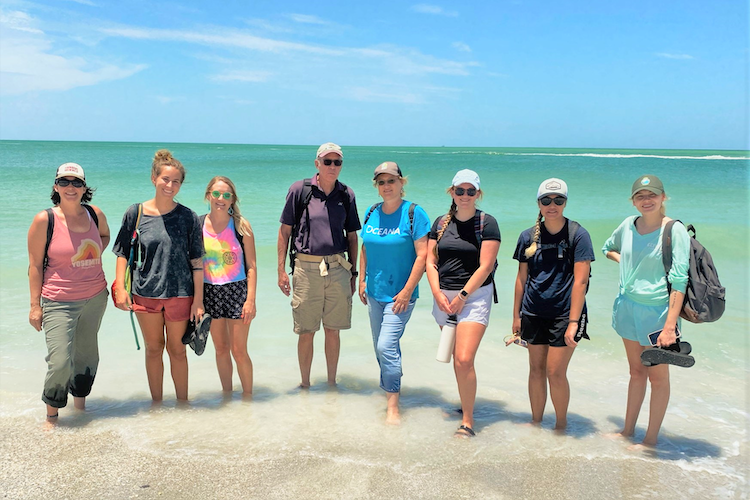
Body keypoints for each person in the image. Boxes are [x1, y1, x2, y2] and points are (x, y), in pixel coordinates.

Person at [602, 174, 690, 448]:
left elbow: (680, 279)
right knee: (636, 372)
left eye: (652, 195)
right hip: (627, 308)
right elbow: (608, 248)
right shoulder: (628, 225)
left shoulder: (674, 230)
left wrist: (669, 326)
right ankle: (627, 431)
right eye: (640, 196)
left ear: (663, 198)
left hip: (658, 315)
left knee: (658, 377)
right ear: (633, 201)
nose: (646, 200)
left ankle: (650, 439)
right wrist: (629, 264)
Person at [113, 149, 204, 402]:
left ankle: (183, 405)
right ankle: (156, 407)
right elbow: (122, 253)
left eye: (176, 181)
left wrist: (198, 300)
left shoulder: (189, 217)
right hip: (145, 293)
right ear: (154, 178)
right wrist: (121, 287)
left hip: (180, 293)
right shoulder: (136, 213)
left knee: (178, 351)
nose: (170, 185)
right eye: (166, 179)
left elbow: (197, 262)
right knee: (154, 350)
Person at [27, 163, 110, 424]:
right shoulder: (45, 220)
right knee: (60, 360)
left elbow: (104, 236)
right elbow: (34, 265)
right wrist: (34, 306)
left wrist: (88, 258)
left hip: (95, 297)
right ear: (56, 186)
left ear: (84, 187)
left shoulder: (94, 214)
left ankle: (80, 408)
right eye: (64, 182)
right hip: (58, 301)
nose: (70, 187)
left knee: (87, 356)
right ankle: (52, 416)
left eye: (76, 182)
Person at [511, 178, 595, 432]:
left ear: (565, 203)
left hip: (564, 315)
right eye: (546, 200)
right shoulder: (527, 236)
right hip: (533, 312)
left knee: (555, 372)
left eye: (558, 200)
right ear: (538, 203)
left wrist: (572, 322)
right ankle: (536, 422)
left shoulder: (577, 235)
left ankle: (560, 425)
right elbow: (521, 278)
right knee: (535, 369)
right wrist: (516, 316)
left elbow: (580, 282)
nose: (552, 205)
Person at [277, 142, 361, 388]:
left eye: (337, 162)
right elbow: (284, 232)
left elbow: (353, 236)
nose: (332, 167)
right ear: (317, 164)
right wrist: (281, 270)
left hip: (338, 269)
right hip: (306, 270)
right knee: (306, 331)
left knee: (333, 330)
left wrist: (354, 272)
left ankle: (332, 383)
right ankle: (305, 385)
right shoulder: (299, 190)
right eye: (327, 161)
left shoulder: (347, 194)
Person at [426, 169, 501, 437]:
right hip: (443, 298)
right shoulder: (440, 222)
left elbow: (486, 266)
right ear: (452, 192)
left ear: (478, 194)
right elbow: (430, 261)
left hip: (474, 297)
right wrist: (437, 294)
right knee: (455, 357)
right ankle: (464, 402)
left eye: (471, 191)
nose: (465, 196)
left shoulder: (487, 223)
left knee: (465, 358)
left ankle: (468, 421)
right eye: (460, 190)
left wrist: (462, 297)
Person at [358, 162, 430, 424]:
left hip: (401, 295)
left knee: (386, 345)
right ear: (376, 187)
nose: (386, 186)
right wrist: (363, 280)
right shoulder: (371, 212)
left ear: (402, 183)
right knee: (380, 348)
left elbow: (423, 256)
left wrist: (407, 291)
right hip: (375, 292)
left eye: (391, 181)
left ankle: (393, 407)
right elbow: (365, 247)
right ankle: (389, 387)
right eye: (381, 182)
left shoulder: (414, 213)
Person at [201, 176, 257, 396]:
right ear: (208, 196)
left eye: (226, 195)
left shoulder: (242, 226)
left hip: (237, 291)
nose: (221, 199)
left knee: (239, 351)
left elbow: (251, 266)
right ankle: (227, 397)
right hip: (210, 291)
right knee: (221, 349)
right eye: (216, 194)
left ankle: (248, 399)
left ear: (233, 199)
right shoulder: (198, 224)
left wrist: (250, 300)